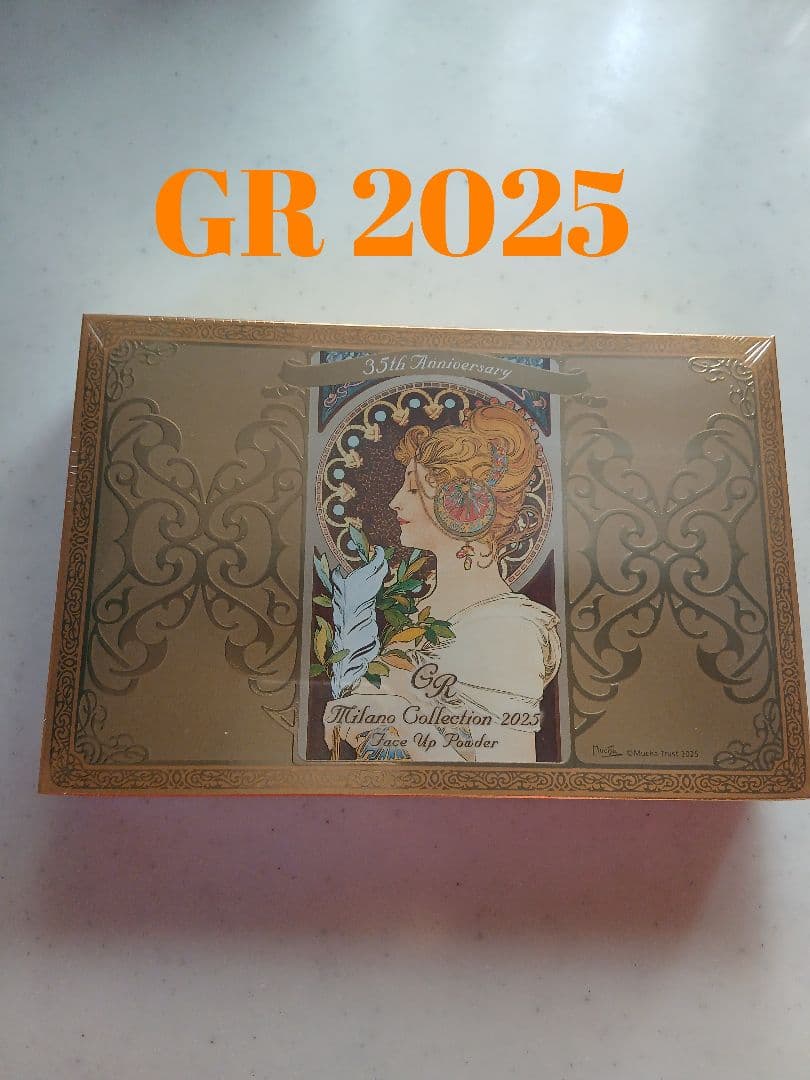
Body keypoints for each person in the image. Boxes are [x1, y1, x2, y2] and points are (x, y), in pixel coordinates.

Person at [323, 403, 561, 763]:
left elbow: (504, 777)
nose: (394, 502)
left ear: (458, 506)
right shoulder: (419, 614)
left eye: (412, 489)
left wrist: (393, 716)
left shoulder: (509, 629)